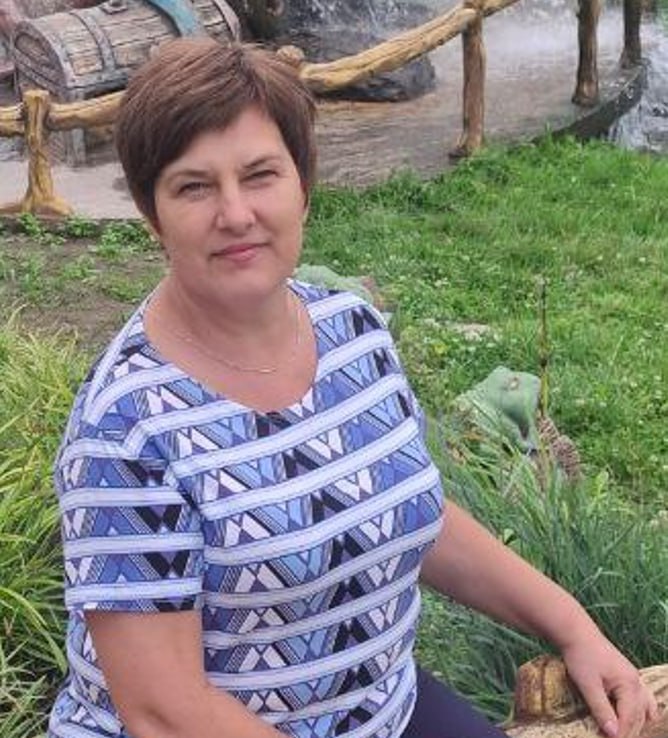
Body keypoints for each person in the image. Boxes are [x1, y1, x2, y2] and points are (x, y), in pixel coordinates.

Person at [47, 37, 658, 738]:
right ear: (152, 215)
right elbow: (165, 710)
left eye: (260, 175)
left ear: (303, 187)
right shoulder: (125, 426)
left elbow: (409, 511)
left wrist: (574, 628)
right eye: (194, 186)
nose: (236, 213)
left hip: (379, 708)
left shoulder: (351, 330)